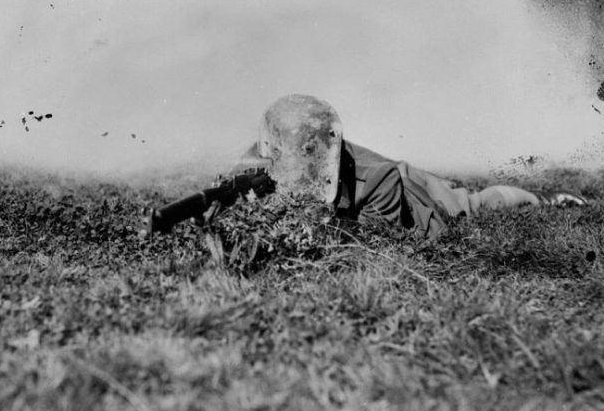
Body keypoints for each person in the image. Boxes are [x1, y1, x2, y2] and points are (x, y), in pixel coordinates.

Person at [235, 94, 587, 238]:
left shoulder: (378, 181)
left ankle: (547, 199)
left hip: (409, 190)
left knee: (469, 204)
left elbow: (374, 239)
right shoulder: (259, 159)